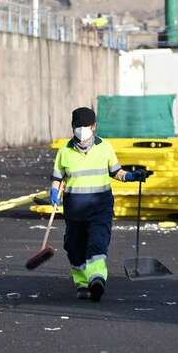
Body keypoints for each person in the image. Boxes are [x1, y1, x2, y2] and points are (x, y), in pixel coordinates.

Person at [50, 107, 148, 302]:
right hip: (75, 210)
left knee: (97, 242)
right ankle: (82, 282)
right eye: (78, 126)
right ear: (72, 127)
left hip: (99, 207)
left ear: (94, 126)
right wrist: (53, 191)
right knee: (73, 246)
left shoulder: (105, 148)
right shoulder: (64, 152)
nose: (82, 130)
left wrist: (129, 176)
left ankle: (96, 279)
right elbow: (57, 177)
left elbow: (116, 172)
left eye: (86, 126)